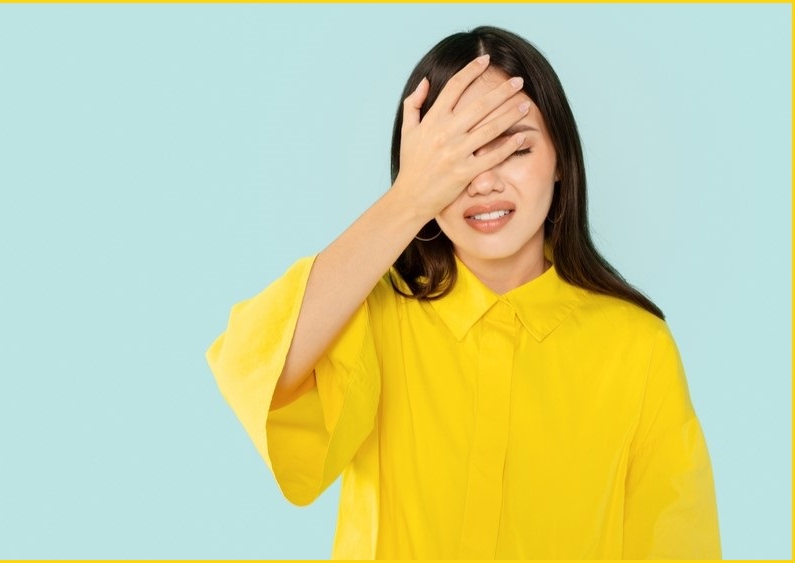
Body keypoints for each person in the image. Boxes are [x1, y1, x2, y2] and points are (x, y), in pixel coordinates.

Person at [206, 26, 721, 559]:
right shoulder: (374, 314)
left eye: (514, 148)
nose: (484, 182)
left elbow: (678, 545)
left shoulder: (638, 348)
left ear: (561, 159)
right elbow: (257, 371)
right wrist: (410, 198)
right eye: (458, 156)